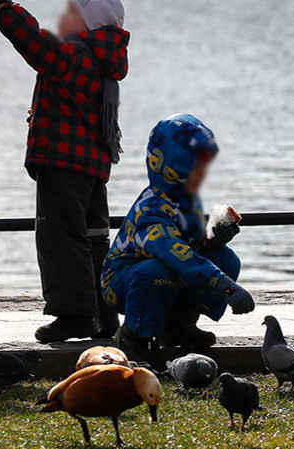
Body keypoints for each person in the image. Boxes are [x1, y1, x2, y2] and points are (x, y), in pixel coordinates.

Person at [0, 0, 130, 343]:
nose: (63, 16)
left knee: (61, 237)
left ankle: (75, 316)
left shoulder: (75, 54)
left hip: (63, 162)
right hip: (94, 166)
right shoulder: (104, 58)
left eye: (71, 12)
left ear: (90, 22)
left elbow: (32, 41)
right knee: (94, 237)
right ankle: (105, 312)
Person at [102, 114, 255, 359]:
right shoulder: (152, 209)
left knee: (226, 259)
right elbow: (176, 254)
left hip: (166, 271)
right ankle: (134, 334)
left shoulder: (184, 201)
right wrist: (226, 287)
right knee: (155, 273)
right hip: (123, 280)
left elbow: (191, 245)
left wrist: (212, 240)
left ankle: (178, 325)